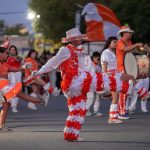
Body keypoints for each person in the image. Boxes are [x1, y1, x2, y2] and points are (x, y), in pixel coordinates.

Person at [34, 28, 149, 141]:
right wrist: (39, 71)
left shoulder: (74, 50)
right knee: (109, 80)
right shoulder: (65, 50)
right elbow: (53, 61)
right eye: (79, 38)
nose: (81, 39)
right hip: (76, 81)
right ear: (74, 39)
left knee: (78, 109)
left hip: (74, 84)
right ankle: (141, 91)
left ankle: (71, 134)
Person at [0, 47, 48, 132]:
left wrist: (24, 66)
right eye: (6, 53)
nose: (7, 55)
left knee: (6, 106)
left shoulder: (5, 64)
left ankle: (1, 126)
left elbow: (16, 69)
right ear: (0, 54)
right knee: (20, 94)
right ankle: (41, 101)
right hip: (2, 85)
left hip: (5, 85)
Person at [116, 25, 143, 119]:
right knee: (124, 90)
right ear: (124, 33)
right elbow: (125, 49)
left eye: (131, 33)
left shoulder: (129, 42)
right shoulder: (120, 42)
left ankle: (122, 110)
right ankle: (121, 112)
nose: (131, 34)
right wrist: (136, 45)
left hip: (128, 69)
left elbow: (131, 51)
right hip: (122, 69)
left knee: (127, 90)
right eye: (129, 32)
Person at [101, 36, 122, 123]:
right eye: (114, 42)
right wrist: (106, 78)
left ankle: (114, 116)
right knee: (116, 96)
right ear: (109, 43)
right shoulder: (106, 52)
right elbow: (105, 65)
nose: (116, 44)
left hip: (116, 75)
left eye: (117, 42)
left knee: (116, 96)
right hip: (110, 76)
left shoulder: (114, 52)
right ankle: (112, 118)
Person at [86, 51, 103, 117]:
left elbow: (101, 74)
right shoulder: (90, 64)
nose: (98, 60)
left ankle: (96, 111)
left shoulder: (99, 66)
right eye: (97, 58)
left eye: (99, 59)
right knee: (91, 96)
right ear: (93, 58)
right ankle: (86, 110)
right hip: (89, 83)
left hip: (96, 83)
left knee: (97, 97)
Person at [7, 45, 23, 113]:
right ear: (9, 50)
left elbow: (23, 64)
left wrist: (16, 58)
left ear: (16, 51)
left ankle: (14, 106)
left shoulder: (18, 58)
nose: (12, 51)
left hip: (17, 74)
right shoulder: (6, 57)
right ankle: (9, 101)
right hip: (9, 74)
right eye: (11, 50)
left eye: (14, 50)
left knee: (16, 90)